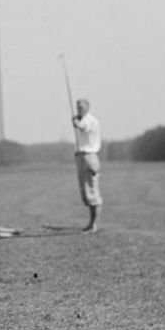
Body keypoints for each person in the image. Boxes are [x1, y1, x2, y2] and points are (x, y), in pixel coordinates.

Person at [72, 99, 103, 233]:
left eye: (81, 108)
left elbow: (84, 128)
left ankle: (94, 225)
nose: (79, 110)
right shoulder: (83, 119)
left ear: (87, 108)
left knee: (92, 191)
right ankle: (91, 224)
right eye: (77, 108)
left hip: (89, 156)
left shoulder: (90, 120)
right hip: (81, 156)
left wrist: (76, 123)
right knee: (85, 192)